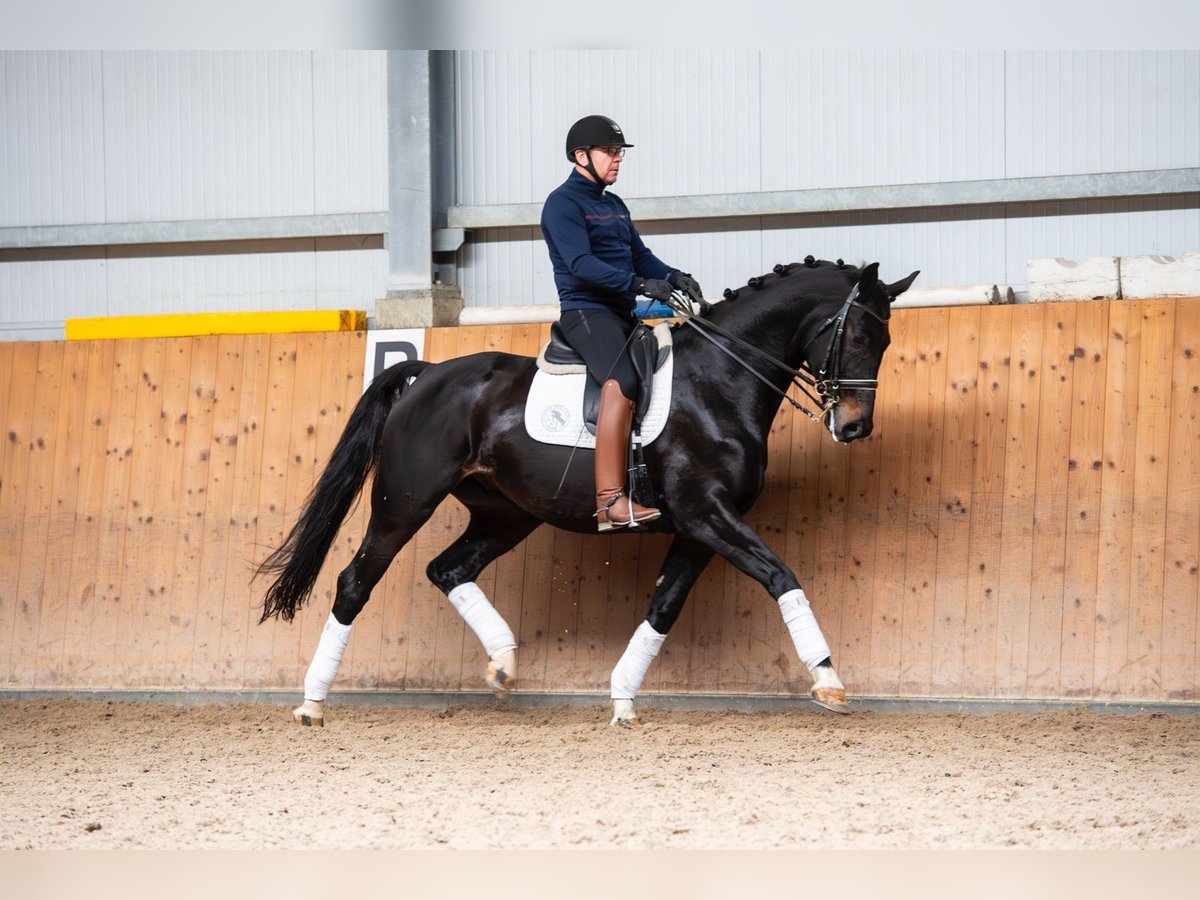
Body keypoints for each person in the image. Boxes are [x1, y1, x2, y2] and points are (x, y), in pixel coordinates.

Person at [540, 114, 704, 532]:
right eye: (609, 152)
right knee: (624, 380)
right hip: (586, 312)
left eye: (618, 153)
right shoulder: (563, 204)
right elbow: (580, 265)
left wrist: (672, 276)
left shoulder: (613, 205)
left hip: (621, 314)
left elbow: (640, 256)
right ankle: (610, 502)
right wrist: (639, 284)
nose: (617, 160)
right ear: (581, 156)